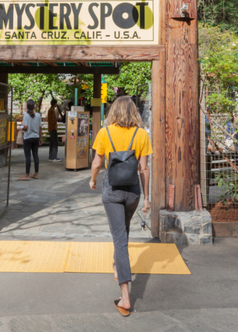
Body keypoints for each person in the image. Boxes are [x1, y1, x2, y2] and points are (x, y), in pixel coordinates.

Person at [89, 96, 152, 317]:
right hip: (133, 191)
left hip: (112, 190)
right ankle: (118, 265)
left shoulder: (104, 132)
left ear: (114, 111)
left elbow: (97, 162)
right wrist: (146, 197)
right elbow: (144, 168)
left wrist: (93, 179)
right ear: (134, 111)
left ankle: (125, 296)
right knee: (123, 231)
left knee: (119, 239)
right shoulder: (142, 134)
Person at [19, 100, 42, 181]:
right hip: (36, 138)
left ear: (27, 107)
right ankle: (36, 174)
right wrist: (40, 138)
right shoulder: (38, 115)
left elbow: (25, 127)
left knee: (28, 156)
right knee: (35, 155)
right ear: (34, 106)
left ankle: (27, 175)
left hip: (28, 138)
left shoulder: (26, 115)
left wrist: (21, 128)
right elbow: (40, 127)